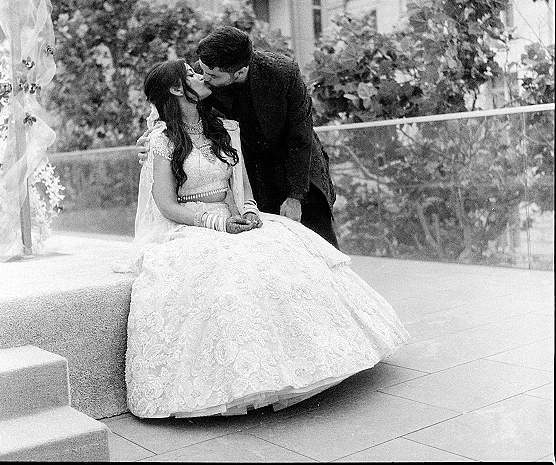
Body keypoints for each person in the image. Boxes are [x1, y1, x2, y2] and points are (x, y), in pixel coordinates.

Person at [123, 58, 409, 419]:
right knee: (226, 273)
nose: (201, 76)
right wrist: (216, 222)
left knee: (285, 253)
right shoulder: (162, 142)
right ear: (178, 89)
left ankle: (316, 359)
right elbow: (165, 204)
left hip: (234, 216)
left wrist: (251, 211)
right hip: (193, 224)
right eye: (192, 74)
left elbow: (240, 186)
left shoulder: (224, 128)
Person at [137, 26, 339, 248]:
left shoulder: (284, 73)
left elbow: (301, 137)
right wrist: (150, 140)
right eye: (201, 71)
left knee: (320, 246)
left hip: (300, 168)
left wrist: (295, 198)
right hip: (255, 175)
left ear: (240, 72)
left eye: (212, 76)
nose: (204, 78)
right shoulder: (204, 73)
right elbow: (172, 110)